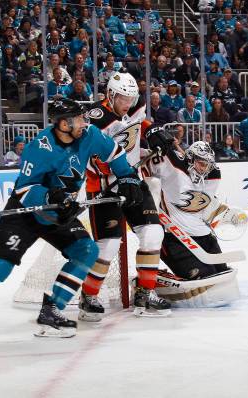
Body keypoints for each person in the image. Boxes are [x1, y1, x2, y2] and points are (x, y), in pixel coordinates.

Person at [0, 99, 142, 344]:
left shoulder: (89, 135)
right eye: (78, 118)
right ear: (64, 124)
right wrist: (51, 195)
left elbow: (115, 153)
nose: (84, 122)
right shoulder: (39, 147)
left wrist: (127, 177)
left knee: (86, 251)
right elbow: (25, 190)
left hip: (58, 214)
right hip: (26, 211)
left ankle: (51, 310)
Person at [84, 72, 173, 319]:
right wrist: (119, 175)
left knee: (154, 233)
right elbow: (92, 159)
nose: (128, 103)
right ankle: (88, 295)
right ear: (110, 95)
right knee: (109, 245)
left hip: (134, 182)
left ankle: (145, 292)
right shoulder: (96, 118)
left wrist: (153, 130)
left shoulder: (131, 108)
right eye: (123, 98)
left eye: (131, 98)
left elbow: (138, 122)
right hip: (104, 187)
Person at [141, 140, 241, 307]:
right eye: (201, 164)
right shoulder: (171, 164)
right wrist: (150, 145)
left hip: (205, 239)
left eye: (207, 165)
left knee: (222, 277)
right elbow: (144, 160)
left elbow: (202, 206)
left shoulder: (213, 174)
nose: (205, 169)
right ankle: (147, 283)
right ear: (190, 159)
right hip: (174, 239)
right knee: (204, 280)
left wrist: (219, 213)